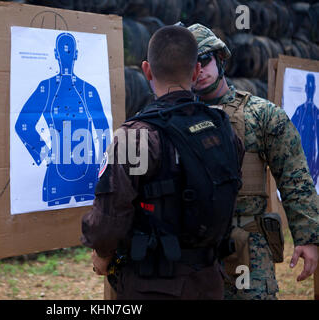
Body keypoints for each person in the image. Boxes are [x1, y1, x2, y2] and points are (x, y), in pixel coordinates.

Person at [81, 25, 244, 300]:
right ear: (194, 72)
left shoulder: (136, 137)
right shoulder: (224, 128)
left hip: (152, 284)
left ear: (146, 70)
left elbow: (107, 222)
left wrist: (102, 253)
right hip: (209, 281)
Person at [188, 23, 319, 300]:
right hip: (192, 249)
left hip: (249, 247)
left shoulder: (262, 114)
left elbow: (295, 178)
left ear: (220, 60)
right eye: (190, 63)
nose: (198, 71)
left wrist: (308, 238)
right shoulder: (175, 118)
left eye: (204, 60)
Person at [15, 32, 110, 206]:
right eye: (63, 50)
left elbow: (104, 131)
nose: (66, 54)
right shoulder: (47, 88)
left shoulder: (89, 90)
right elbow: (22, 124)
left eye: (69, 50)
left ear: (76, 54)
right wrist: (45, 152)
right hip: (58, 176)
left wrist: (100, 168)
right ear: (56, 53)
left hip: (88, 174)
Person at [291, 73, 318, 186]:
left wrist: (316, 168)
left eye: (312, 88)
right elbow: (288, 134)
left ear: (315, 89)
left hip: (311, 159)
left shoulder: (316, 113)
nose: (310, 90)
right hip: (298, 157)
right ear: (306, 89)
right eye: (309, 87)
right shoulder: (300, 110)